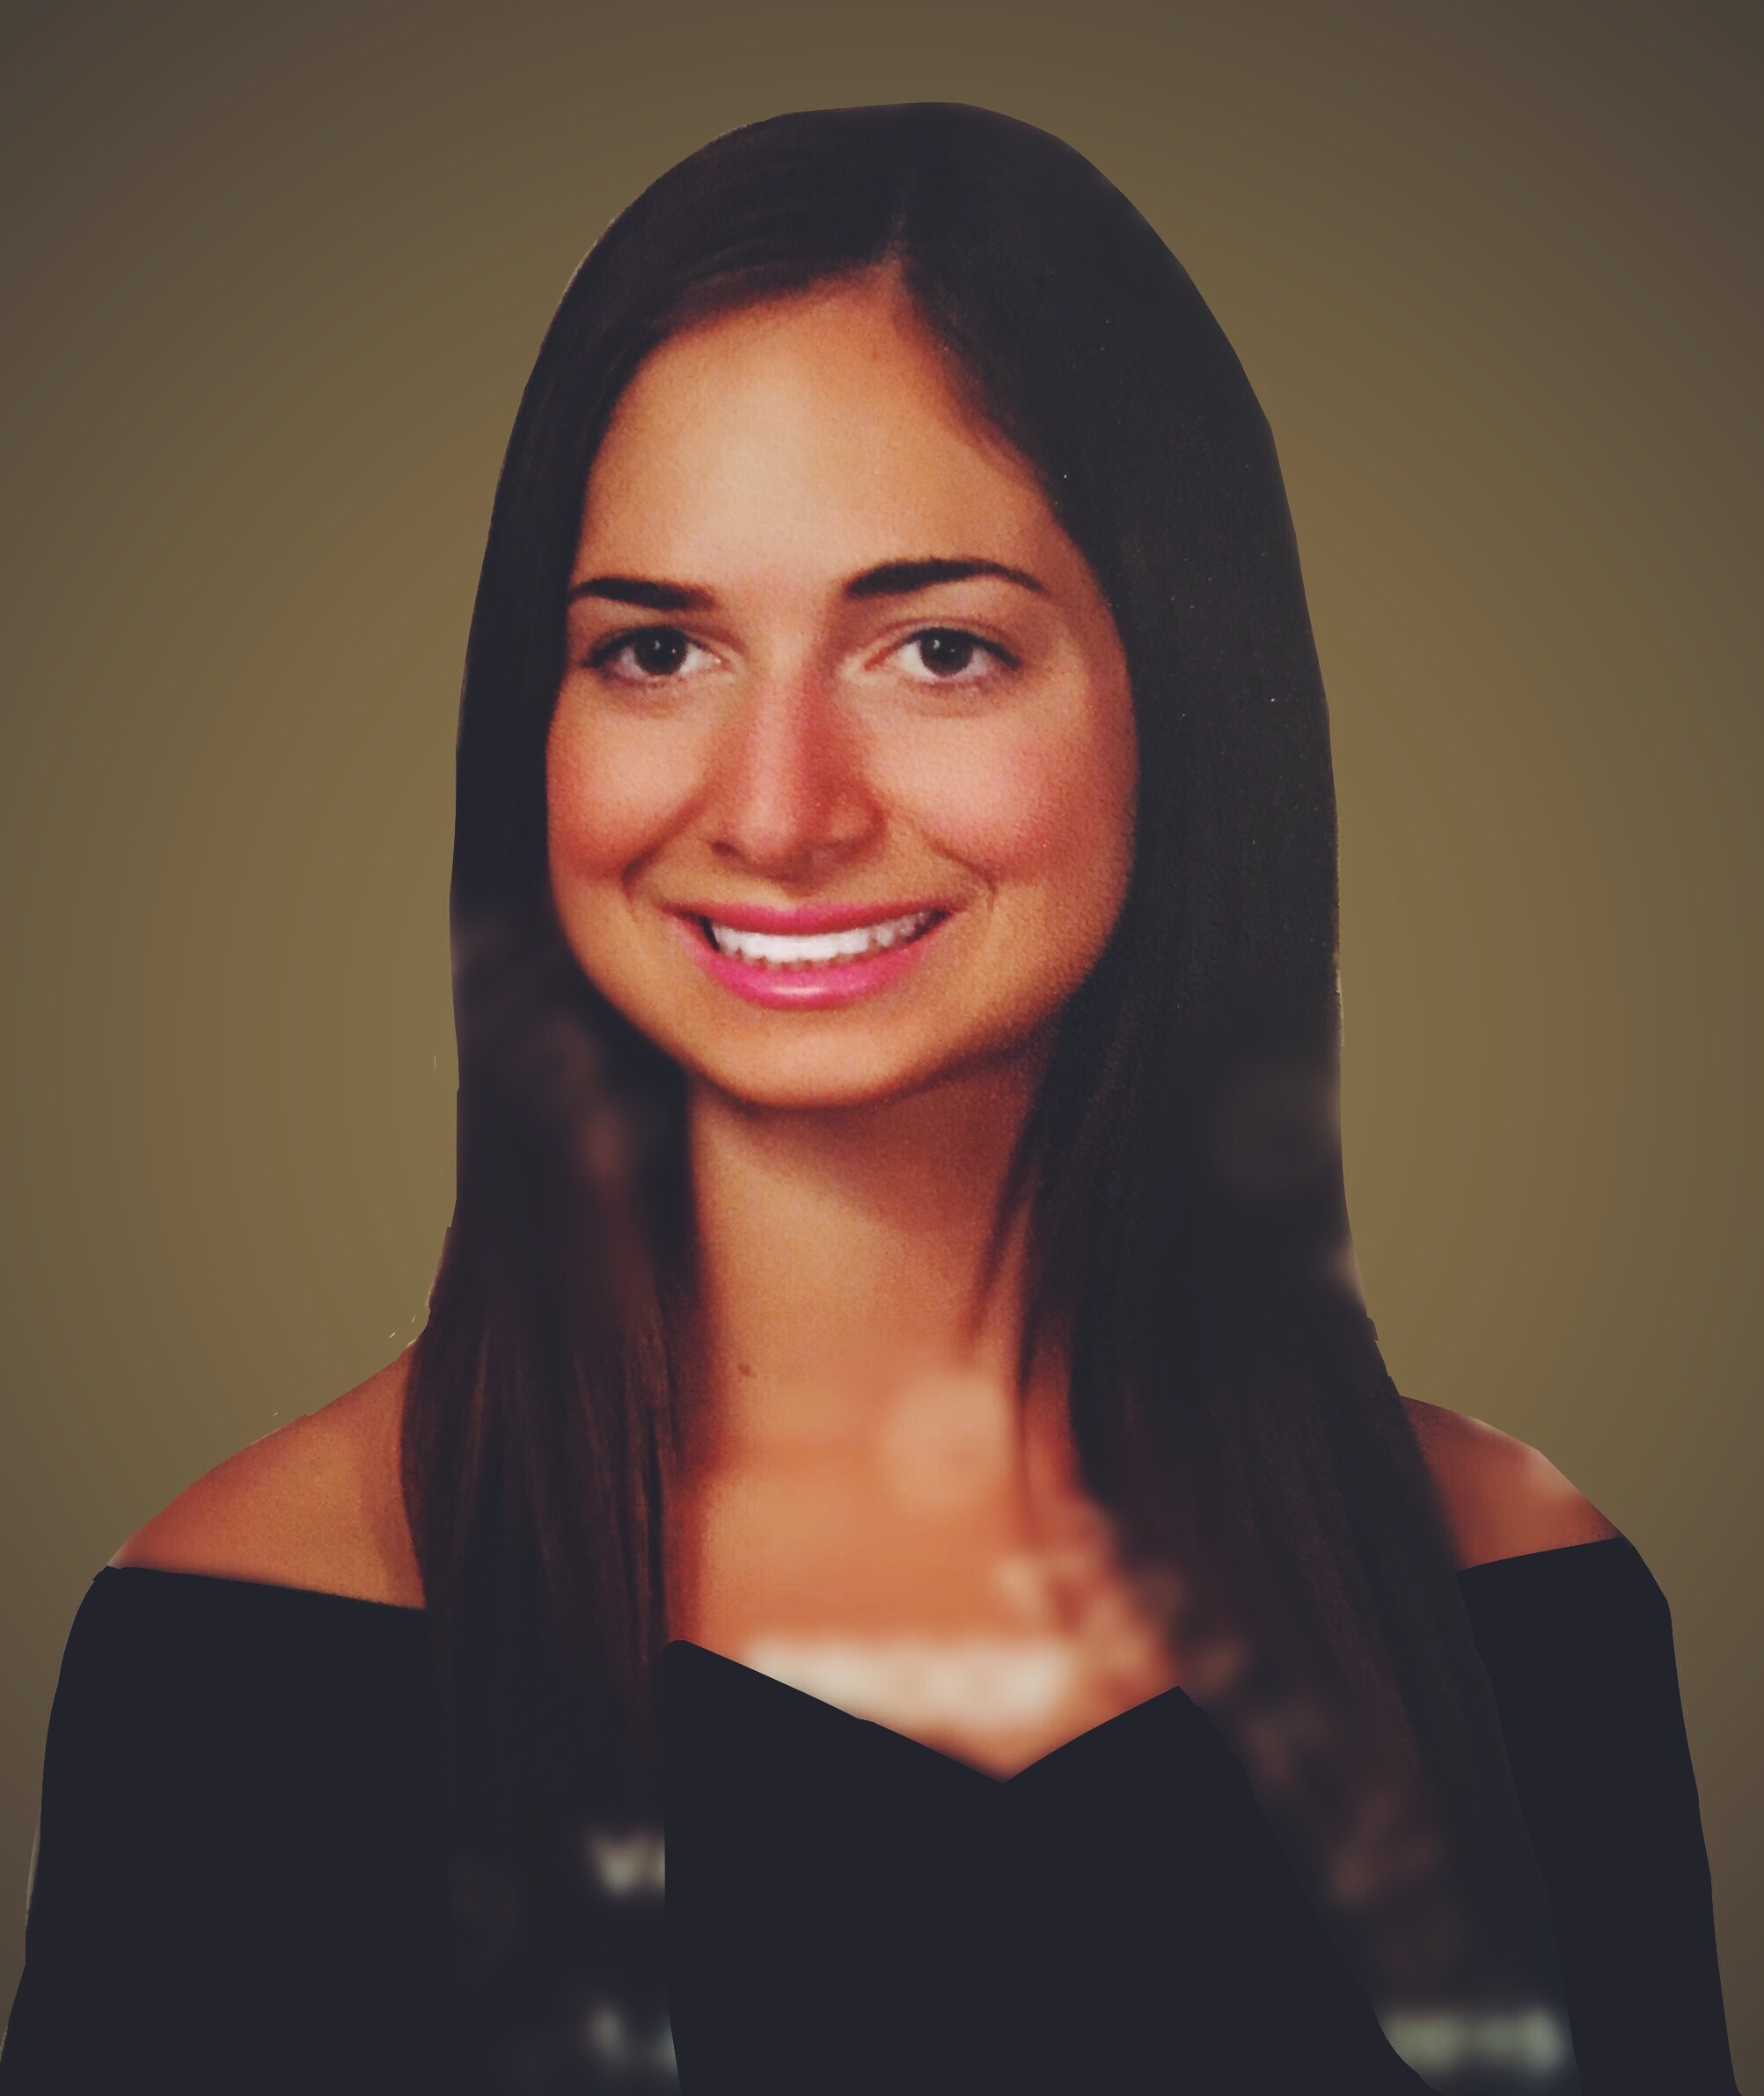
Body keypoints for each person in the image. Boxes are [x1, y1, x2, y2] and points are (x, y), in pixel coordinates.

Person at [0, 104, 1739, 2096]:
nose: (777, 810)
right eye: (658, 647)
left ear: (1184, 695)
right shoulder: (247, 1643)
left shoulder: (1516, 1595)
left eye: (936, 648)